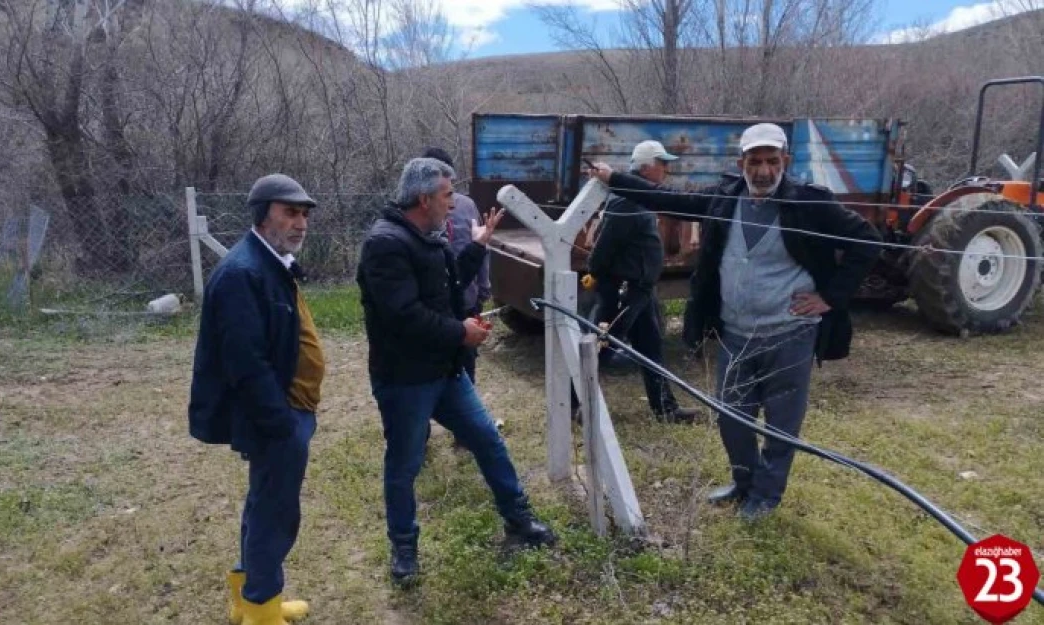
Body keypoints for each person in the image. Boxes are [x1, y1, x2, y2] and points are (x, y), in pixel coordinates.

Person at [591, 123, 881, 520]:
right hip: (736, 334)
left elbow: (867, 239)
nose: (763, 170)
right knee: (732, 418)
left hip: (789, 334)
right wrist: (614, 178)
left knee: (780, 425)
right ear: (741, 162)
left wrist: (830, 298)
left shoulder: (810, 203)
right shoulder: (725, 198)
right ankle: (743, 483)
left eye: (771, 161)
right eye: (755, 161)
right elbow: (668, 198)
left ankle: (765, 497)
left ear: (786, 162)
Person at [357, 157, 557, 583]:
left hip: (446, 373)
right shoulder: (385, 243)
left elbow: (446, 290)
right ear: (424, 197)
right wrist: (460, 332)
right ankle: (404, 549)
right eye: (448, 195)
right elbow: (403, 316)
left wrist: (479, 244)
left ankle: (519, 520)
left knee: (488, 440)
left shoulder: (429, 235)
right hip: (405, 378)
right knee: (404, 465)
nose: (454, 202)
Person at [188, 174, 323, 624]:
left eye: (304, 214)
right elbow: (245, 365)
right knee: (275, 513)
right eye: (290, 212)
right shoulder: (243, 273)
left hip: (289, 412)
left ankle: (249, 599)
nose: (300, 223)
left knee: (264, 503)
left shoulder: (272, 262)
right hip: (275, 419)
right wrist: (282, 425)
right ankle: (262, 612)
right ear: (262, 216)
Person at [585, 140, 701, 425]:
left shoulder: (639, 196)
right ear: (648, 168)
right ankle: (574, 405)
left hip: (641, 289)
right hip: (624, 289)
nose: (667, 170)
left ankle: (666, 409)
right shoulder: (628, 200)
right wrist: (598, 274)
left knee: (651, 349)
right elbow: (605, 245)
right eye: (663, 164)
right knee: (601, 347)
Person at [422, 146, 491, 383]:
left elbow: (481, 244)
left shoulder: (467, 206)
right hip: (438, 305)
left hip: (464, 299)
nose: (450, 204)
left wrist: (483, 286)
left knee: (465, 365)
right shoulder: (417, 214)